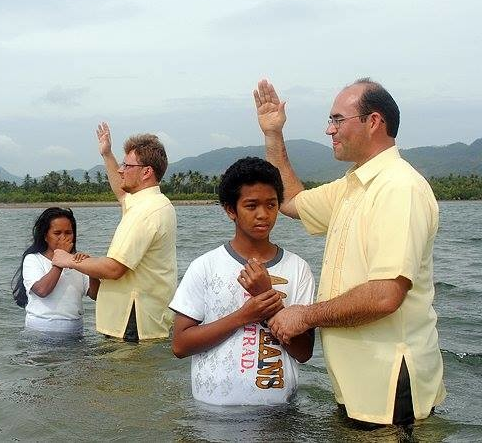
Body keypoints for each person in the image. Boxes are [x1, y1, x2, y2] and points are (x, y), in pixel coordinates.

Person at [254, 78, 445, 426]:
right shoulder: (353, 185)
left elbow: (386, 295)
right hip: (360, 385)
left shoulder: (399, 188)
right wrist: (273, 136)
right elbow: (292, 201)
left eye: (337, 119)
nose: (329, 130)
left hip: (388, 387)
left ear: (373, 121)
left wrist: (305, 315)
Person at [169, 157, 315, 405]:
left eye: (271, 205)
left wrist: (269, 302)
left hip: (277, 413)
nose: (263, 215)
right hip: (212, 412)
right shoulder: (205, 266)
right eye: (251, 206)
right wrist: (243, 316)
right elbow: (180, 345)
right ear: (230, 210)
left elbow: (303, 352)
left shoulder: (298, 268)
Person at [52, 123, 177, 342]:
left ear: (147, 172)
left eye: (127, 166)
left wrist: (69, 260)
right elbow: (121, 192)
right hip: (140, 317)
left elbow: (114, 268)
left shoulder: (145, 212)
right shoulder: (153, 202)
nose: (120, 170)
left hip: (132, 320)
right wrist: (106, 154)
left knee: (124, 375)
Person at [12, 207, 100, 335]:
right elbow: (42, 291)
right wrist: (61, 259)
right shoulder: (33, 259)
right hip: (40, 331)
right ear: (45, 236)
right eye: (57, 233)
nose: (63, 238)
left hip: (75, 331)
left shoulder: (77, 260)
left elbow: (95, 295)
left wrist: (91, 270)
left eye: (68, 233)